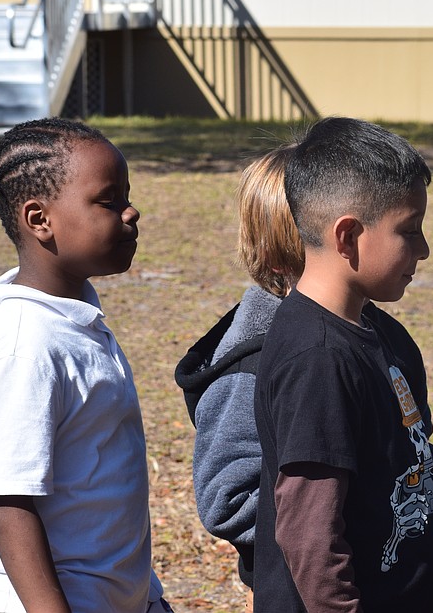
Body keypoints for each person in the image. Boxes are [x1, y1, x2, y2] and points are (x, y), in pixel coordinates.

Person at [0, 118, 168, 612]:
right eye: (109, 200)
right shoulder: (23, 344)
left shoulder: (75, 322)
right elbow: (8, 500)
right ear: (39, 219)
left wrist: (145, 596)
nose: (131, 212)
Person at [252, 116, 433, 612]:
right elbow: (308, 534)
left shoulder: (379, 333)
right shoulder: (317, 360)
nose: (423, 250)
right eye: (409, 230)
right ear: (348, 236)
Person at [174, 143, 304, 594]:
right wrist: (338, 521)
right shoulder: (250, 367)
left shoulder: (370, 333)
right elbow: (226, 500)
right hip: (297, 587)